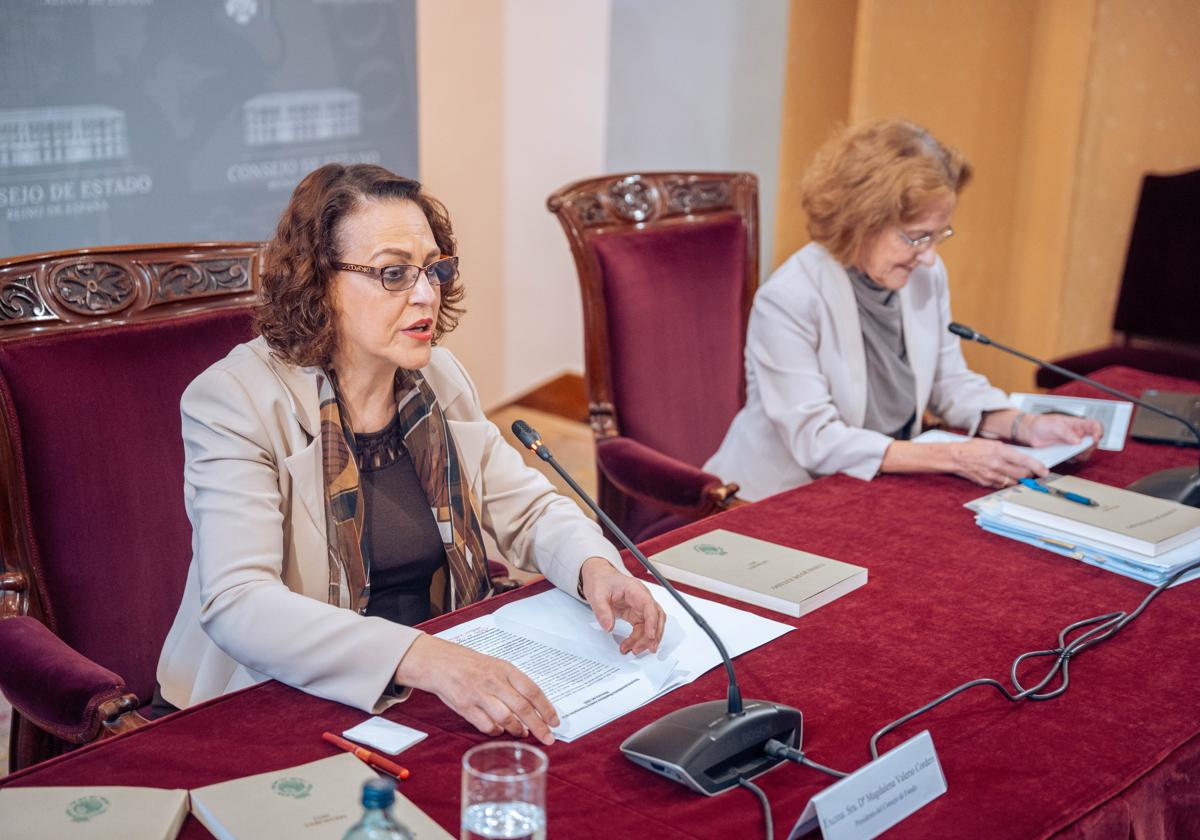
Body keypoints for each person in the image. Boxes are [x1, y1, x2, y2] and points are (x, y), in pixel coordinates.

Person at [156, 163, 665, 745]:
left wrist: (594, 566)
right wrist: (425, 657)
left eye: (432, 269)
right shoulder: (236, 400)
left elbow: (526, 510)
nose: (425, 294)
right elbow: (239, 605)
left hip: (427, 687)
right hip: (276, 697)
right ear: (319, 281)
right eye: (393, 273)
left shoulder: (437, 379)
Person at [705, 119, 1102, 501]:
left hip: (878, 485)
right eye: (917, 237)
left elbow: (948, 382)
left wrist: (1026, 425)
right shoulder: (791, 297)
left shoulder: (922, 276)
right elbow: (816, 441)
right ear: (861, 221)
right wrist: (955, 456)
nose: (930, 257)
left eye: (938, 235)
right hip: (778, 497)